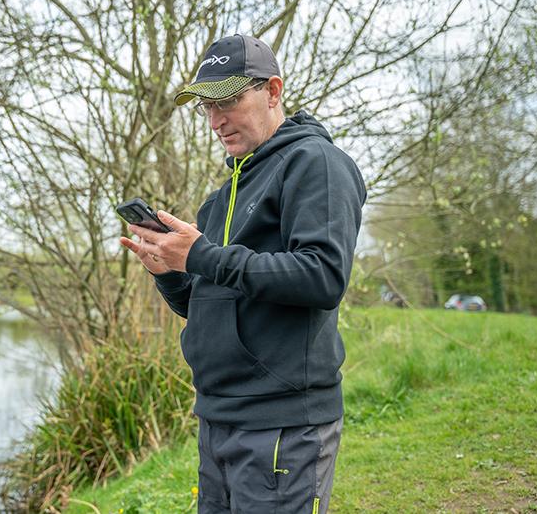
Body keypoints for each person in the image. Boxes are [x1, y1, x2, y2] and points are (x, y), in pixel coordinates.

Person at [120, 34, 366, 514]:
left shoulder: (316, 164)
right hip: (217, 420)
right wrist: (171, 272)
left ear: (273, 91)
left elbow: (323, 276)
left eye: (228, 101)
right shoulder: (220, 197)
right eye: (207, 108)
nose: (215, 121)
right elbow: (206, 304)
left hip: (283, 424)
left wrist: (203, 256)